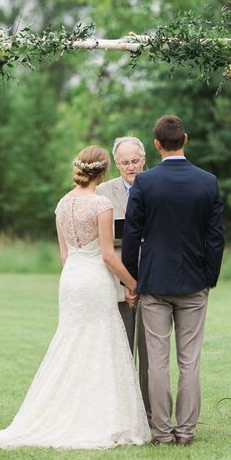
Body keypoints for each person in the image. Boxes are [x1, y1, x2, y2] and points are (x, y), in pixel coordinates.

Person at [0, 145, 150, 450]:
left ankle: (70, 409)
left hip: (71, 280)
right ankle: (101, 417)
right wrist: (132, 282)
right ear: (104, 171)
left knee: (72, 343)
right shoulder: (101, 204)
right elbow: (107, 255)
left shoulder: (62, 204)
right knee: (101, 344)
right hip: (94, 280)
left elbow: (65, 255)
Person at [122, 115, 225, 446]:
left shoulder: (145, 183)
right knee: (189, 362)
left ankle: (162, 432)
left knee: (157, 363)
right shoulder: (207, 182)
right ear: (185, 139)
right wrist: (209, 277)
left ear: (156, 144)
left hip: (154, 284)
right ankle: (187, 432)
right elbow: (215, 238)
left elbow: (131, 235)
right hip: (195, 283)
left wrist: (133, 279)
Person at [96, 136, 150, 421]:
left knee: (151, 356)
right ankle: (120, 413)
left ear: (144, 159)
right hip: (117, 283)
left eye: (135, 161)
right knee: (120, 350)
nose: (131, 167)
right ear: (116, 164)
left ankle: (150, 413)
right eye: (125, 162)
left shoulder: (156, 185)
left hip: (153, 279)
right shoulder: (102, 192)